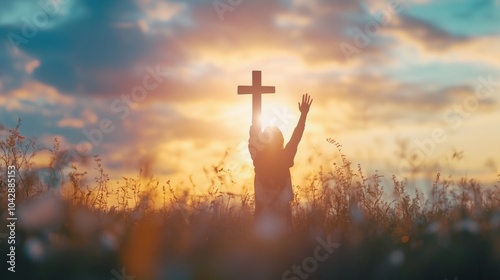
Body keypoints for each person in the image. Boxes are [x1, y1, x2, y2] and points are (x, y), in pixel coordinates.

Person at [248, 93, 313, 237]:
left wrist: (255, 127)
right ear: (281, 140)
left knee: (262, 244)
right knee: (284, 244)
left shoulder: (258, 157)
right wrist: (303, 115)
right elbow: (296, 136)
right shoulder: (285, 156)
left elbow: (253, 137)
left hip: (263, 211)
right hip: (282, 211)